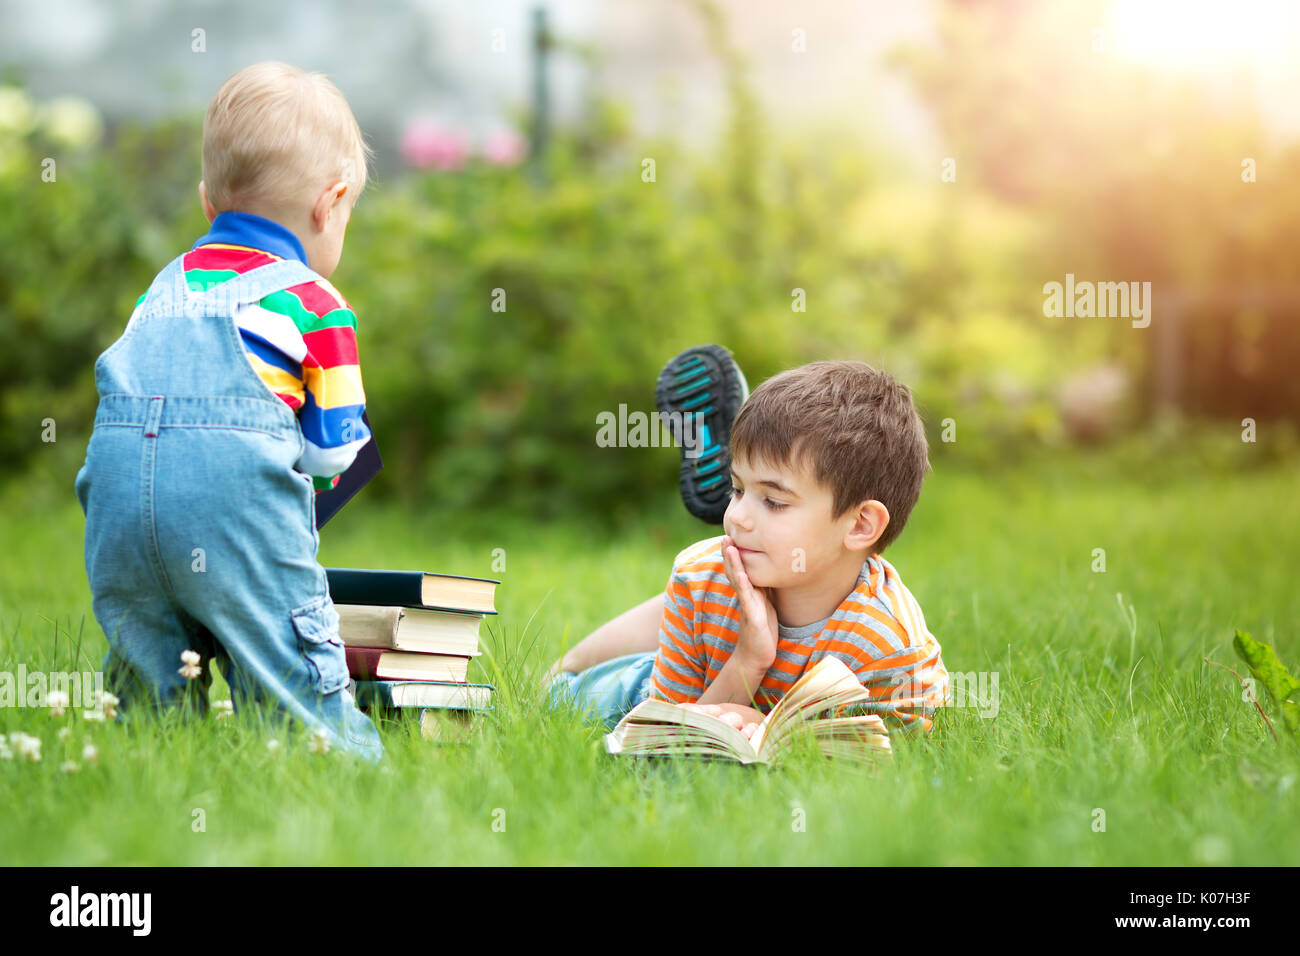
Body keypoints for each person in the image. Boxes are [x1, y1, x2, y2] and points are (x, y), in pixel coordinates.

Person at [73, 62, 383, 759]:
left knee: (147, 701)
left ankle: (139, 765)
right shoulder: (314, 302)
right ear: (329, 204)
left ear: (208, 200)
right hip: (233, 521)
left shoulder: (162, 289)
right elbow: (337, 452)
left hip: (117, 514)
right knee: (299, 696)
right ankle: (345, 767)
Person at [545, 347, 949, 741]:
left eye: (774, 501)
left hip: (718, 664)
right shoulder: (704, 572)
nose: (735, 516)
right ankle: (563, 670)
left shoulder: (889, 650)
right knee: (557, 700)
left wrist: (768, 729)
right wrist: (747, 661)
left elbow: (885, 766)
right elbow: (660, 743)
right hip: (654, 685)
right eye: (736, 490)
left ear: (860, 525)